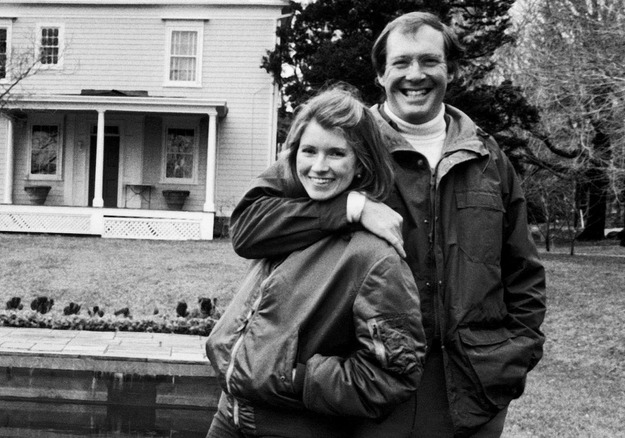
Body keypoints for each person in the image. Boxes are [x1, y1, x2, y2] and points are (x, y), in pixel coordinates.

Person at [229, 11, 547, 438]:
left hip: (477, 389)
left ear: (450, 70)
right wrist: (351, 207)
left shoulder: (488, 158)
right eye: (400, 63)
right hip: (375, 387)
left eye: (429, 61)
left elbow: (523, 270)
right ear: (380, 74)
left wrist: (515, 356)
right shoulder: (343, 143)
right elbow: (250, 225)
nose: (415, 75)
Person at [205, 86, 427, 438]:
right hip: (229, 416)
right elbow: (245, 230)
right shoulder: (289, 217)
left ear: (360, 165)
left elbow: (393, 374)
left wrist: (300, 379)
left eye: (337, 153)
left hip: (294, 428)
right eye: (309, 151)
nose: (319, 167)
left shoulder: (375, 255)